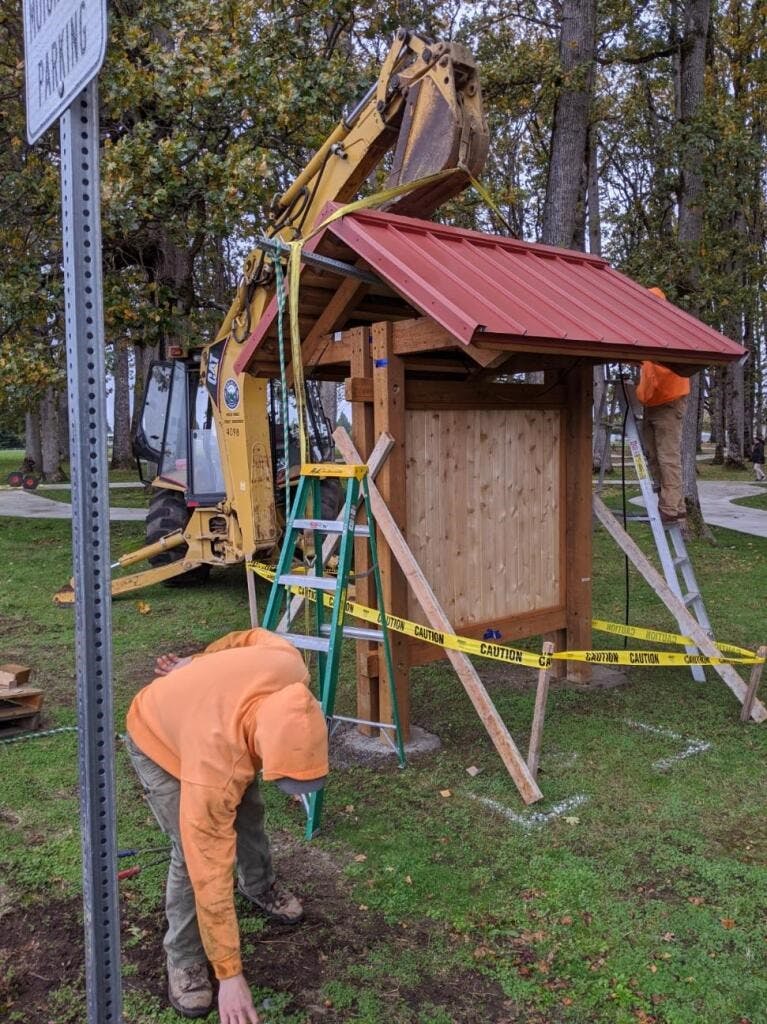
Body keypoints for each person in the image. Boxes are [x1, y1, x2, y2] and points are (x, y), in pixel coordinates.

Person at [126, 628, 329, 1022]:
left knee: (248, 812)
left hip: (215, 719)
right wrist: (230, 975)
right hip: (157, 733)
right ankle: (184, 959)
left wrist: (200, 662)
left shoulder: (289, 666)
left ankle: (258, 884)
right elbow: (210, 871)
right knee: (190, 855)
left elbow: (252, 636)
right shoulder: (215, 769)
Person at [636, 287, 693, 527]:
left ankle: (670, 508)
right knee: (653, 454)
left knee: (667, 456)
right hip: (652, 402)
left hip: (669, 400)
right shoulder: (646, 331)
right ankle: (670, 504)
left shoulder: (667, 329)